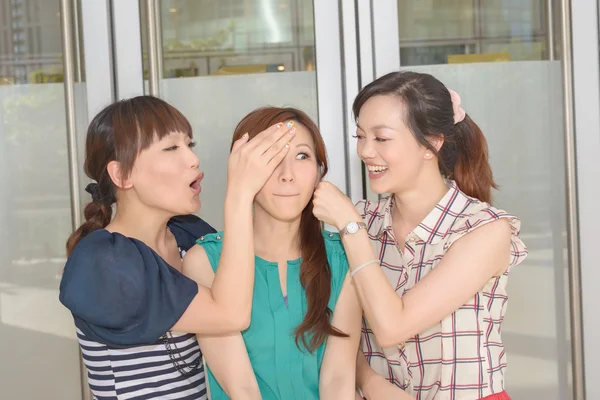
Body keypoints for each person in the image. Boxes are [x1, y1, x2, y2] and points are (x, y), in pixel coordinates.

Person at [59, 96, 295, 399]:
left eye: (190, 145)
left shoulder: (188, 235)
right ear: (122, 174)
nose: (192, 159)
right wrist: (238, 195)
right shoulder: (104, 261)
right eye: (171, 148)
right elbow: (231, 315)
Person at [311, 71, 528, 400]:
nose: (366, 151)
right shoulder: (361, 221)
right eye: (360, 136)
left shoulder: (484, 229)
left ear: (433, 144)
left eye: (381, 138)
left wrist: (349, 226)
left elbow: (392, 326)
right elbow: (339, 335)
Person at [182, 107, 362, 399]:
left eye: (302, 156)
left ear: (319, 169)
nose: (287, 175)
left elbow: (338, 379)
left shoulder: (343, 256)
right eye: (270, 158)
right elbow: (241, 389)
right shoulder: (204, 262)